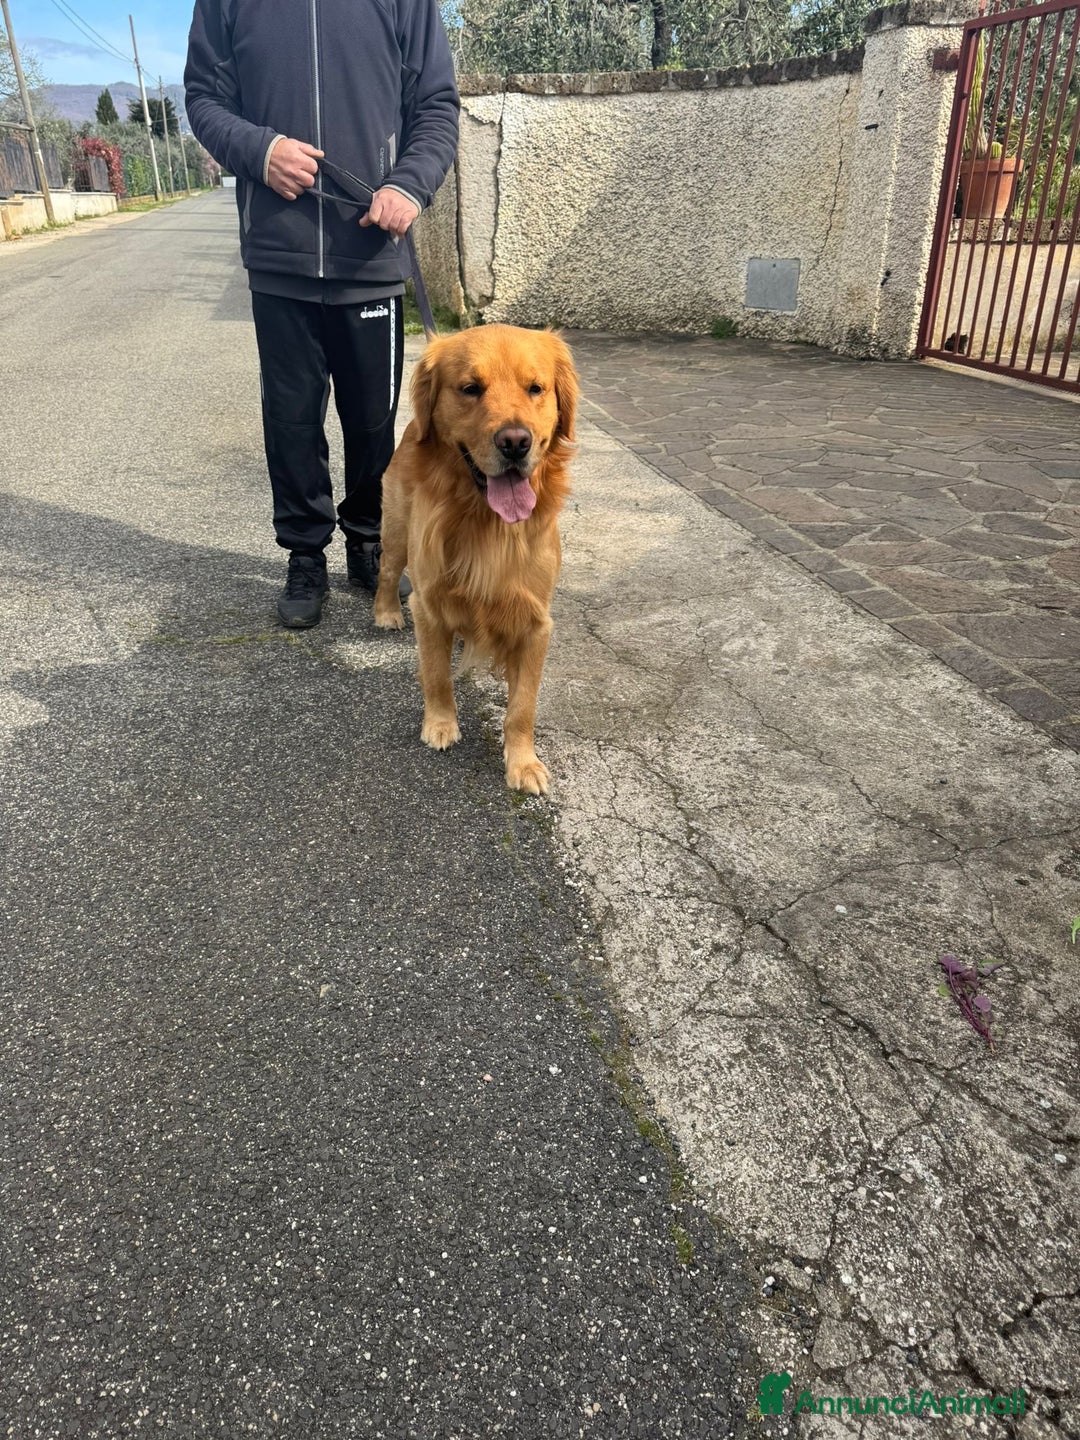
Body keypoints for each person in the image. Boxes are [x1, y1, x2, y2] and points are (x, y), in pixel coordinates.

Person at [185, 0, 459, 628]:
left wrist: (410, 183)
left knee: (372, 422)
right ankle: (305, 554)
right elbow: (203, 98)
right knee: (291, 420)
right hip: (278, 258)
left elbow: (437, 106)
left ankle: (369, 540)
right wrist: (261, 149)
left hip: (371, 254)